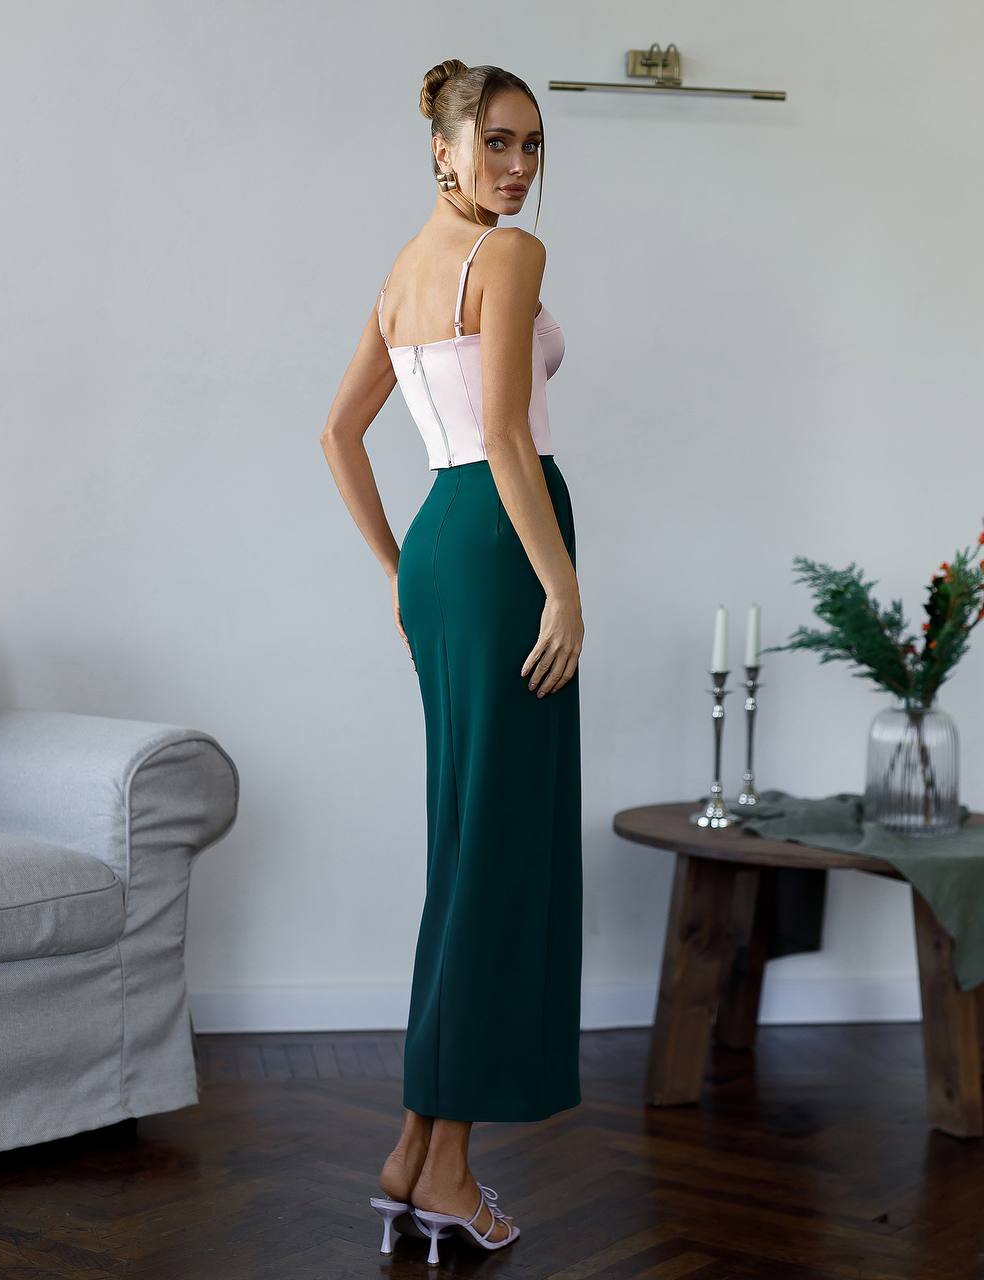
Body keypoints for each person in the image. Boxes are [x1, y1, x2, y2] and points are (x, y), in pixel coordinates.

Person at [320, 59, 584, 1264]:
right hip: (500, 545)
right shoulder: (508, 261)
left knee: (466, 842)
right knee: (498, 853)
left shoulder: (401, 272)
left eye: (532, 145)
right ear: (442, 148)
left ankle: (414, 1149)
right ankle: (452, 1172)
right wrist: (564, 586)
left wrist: (394, 568)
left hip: (440, 546)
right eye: (496, 144)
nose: (518, 167)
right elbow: (513, 436)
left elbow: (338, 433)